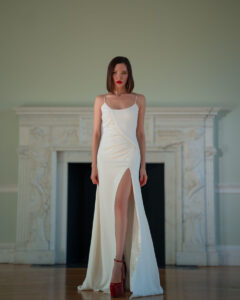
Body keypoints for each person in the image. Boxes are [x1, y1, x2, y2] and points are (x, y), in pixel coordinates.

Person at [77, 56, 164, 298]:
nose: (119, 76)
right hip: (106, 158)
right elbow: (95, 133)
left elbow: (141, 134)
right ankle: (120, 262)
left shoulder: (139, 100)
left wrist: (143, 166)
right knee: (113, 210)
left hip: (129, 155)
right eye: (116, 71)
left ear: (129, 75)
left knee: (120, 205)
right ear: (110, 74)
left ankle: (118, 263)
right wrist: (94, 165)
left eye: (124, 72)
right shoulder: (100, 100)